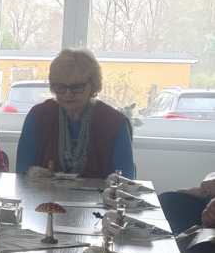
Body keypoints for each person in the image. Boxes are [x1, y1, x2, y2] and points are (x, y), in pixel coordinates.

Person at [15, 48, 135, 178]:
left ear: (93, 86)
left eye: (77, 87)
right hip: (43, 191)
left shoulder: (114, 122)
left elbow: (125, 178)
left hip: (99, 192)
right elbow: (21, 172)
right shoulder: (38, 116)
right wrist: (32, 173)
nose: (68, 94)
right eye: (60, 87)